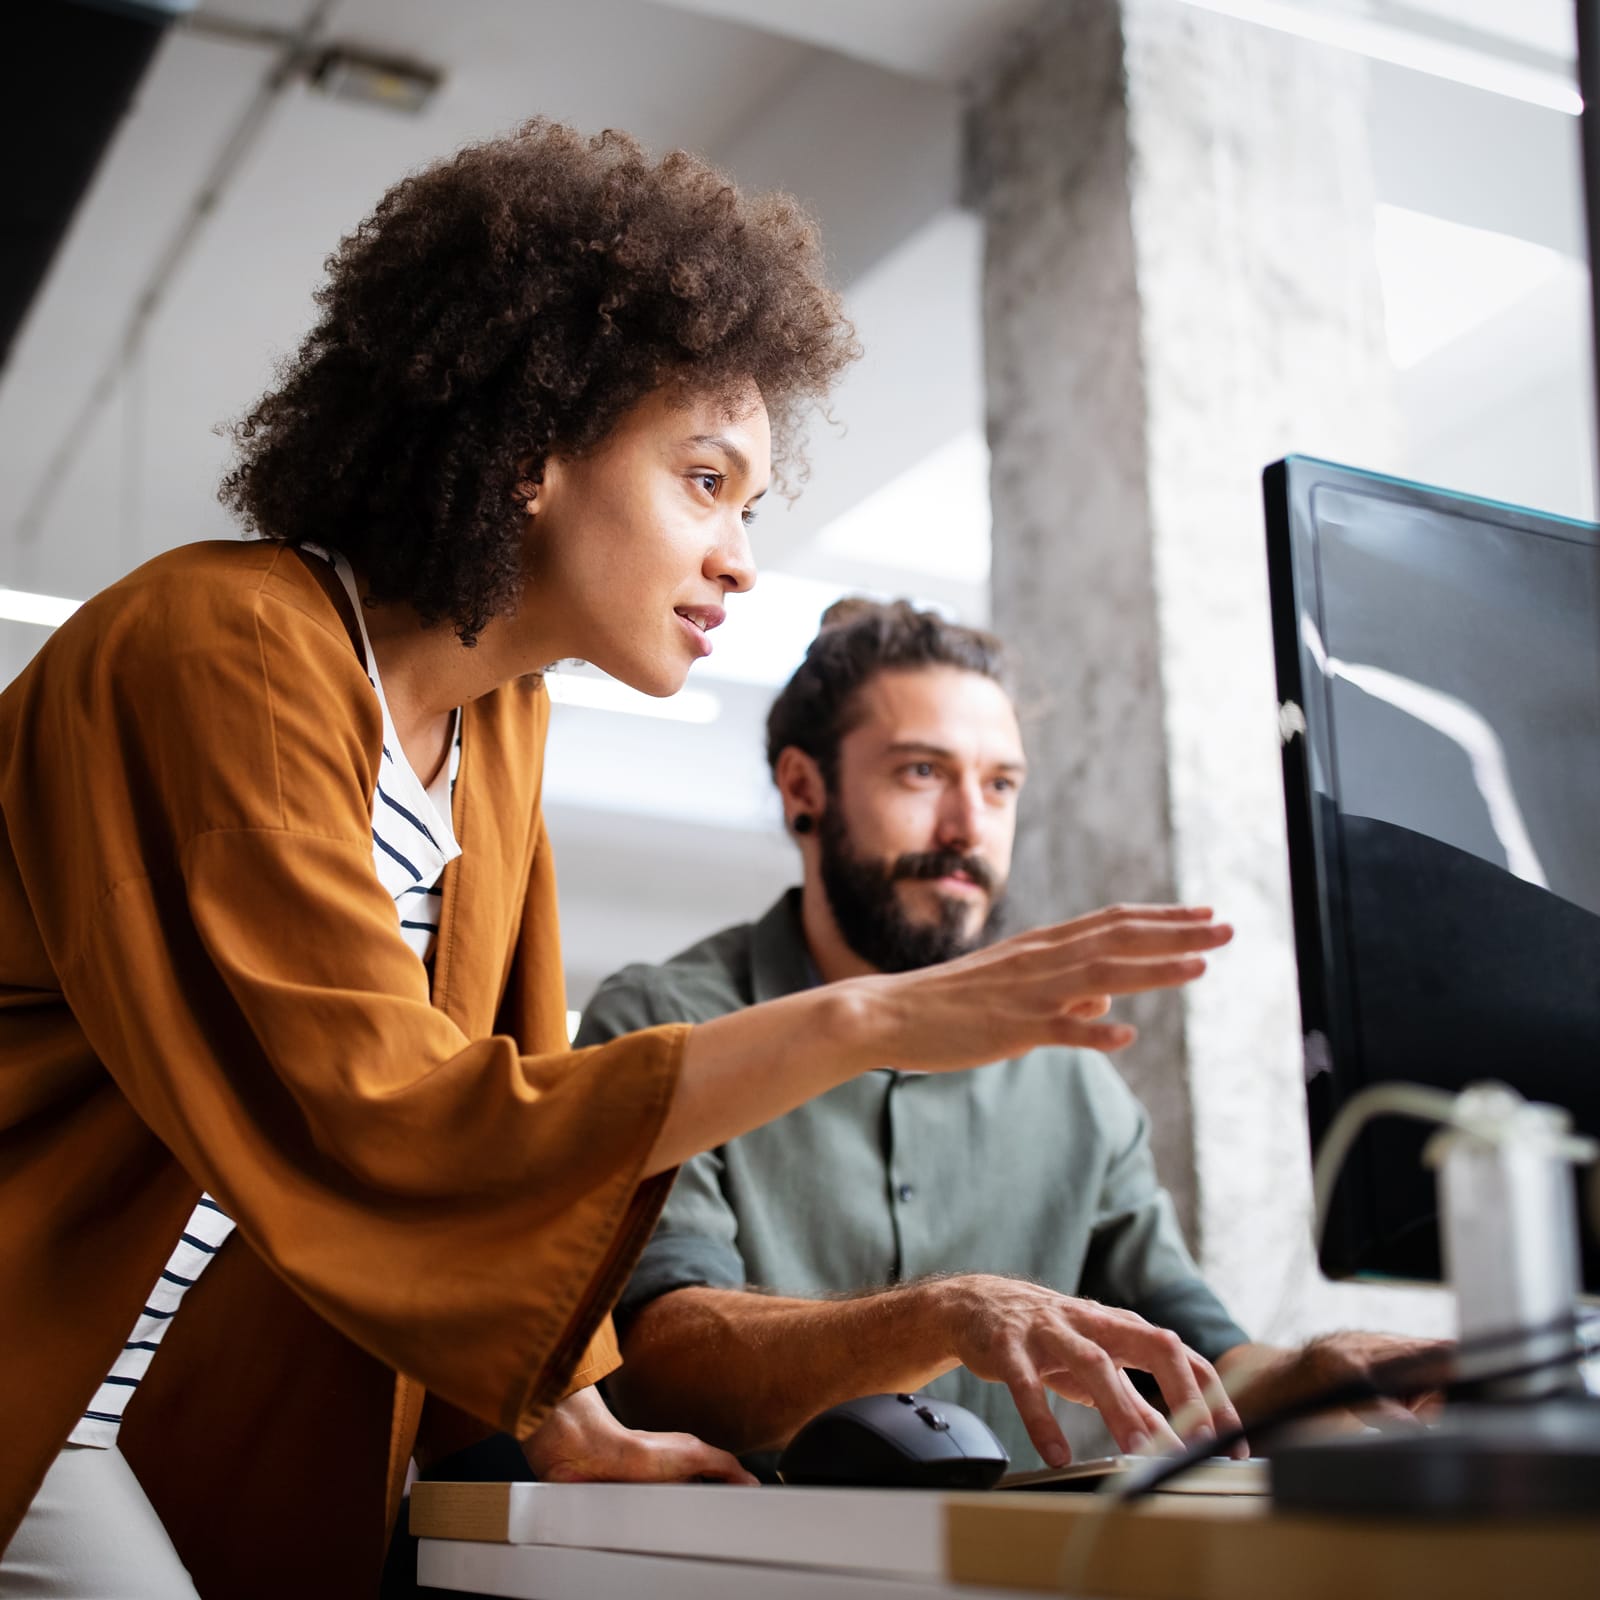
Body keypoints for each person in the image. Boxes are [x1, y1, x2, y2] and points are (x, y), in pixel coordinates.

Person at [0, 123, 1236, 1599]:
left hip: (142, 1397)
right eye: (703, 480)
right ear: (532, 447)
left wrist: (571, 1428)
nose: (737, 558)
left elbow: (515, 1111)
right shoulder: (226, 649)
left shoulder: (496, 725)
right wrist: (871, 1021)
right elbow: (397, 1115)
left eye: (747, 506)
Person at [582, 600, 1433, 1473]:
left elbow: (1198, 1359)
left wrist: (1317, 1374)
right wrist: (940, 1315)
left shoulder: (1074, 1076)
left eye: (999, 785)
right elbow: (662, 1366)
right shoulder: (664, 1024)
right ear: (805, 788)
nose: (968, 829)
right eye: (922, 773)